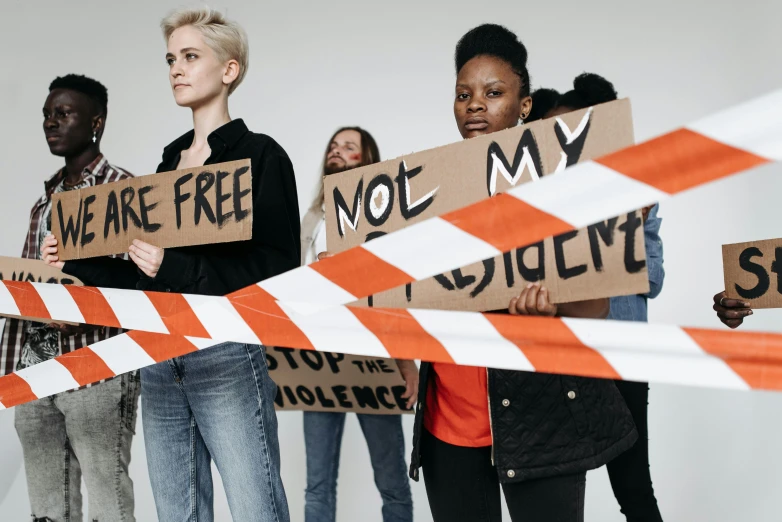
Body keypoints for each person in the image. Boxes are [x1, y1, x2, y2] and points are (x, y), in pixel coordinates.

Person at [43, 8, 298, 522]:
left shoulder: (261, 156)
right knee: (177, 515)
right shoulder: (167, 165)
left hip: (224, 355)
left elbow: (279, 270)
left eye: (189, 56)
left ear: (229, 70)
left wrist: (175, 267)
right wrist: (77, 261)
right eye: (170, 59)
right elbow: (143, 280)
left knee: (257, 510)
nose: (175, 69)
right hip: (158, 356)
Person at [407, 24, 637, 522]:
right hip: (447, 428)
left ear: (524, 105)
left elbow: (595, 306)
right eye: (463, 94)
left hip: (540, 422)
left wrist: (554, 304)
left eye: (493, 93)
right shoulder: (427, 196)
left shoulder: (560, 191)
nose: (475, 105)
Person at [0, 74, 139, 522]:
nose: (50, 122)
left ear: (95, 122)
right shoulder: (43, 202)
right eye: (46, 114)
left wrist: (77, 307)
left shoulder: (125, 191)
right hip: (35, 368)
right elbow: (32, 282)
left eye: (63, 113)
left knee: (108, 501)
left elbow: (140, 281)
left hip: (95, 364)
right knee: (46, 508)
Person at [529, 74, 666, 522]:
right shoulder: (532, 201)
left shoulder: (633, 193)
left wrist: (623, 231)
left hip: (622, 354)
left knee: (631, 484)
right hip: (559, 358)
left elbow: (655, 280)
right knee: (561, 485)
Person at [301, 127, 416, 522]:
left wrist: (406, 361)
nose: (337, 151)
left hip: (372, 353)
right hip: (318, 359)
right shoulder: (313, 217)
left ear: (367, 160)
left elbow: (396, 292)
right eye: (333, 145)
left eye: (349, 147)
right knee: (317, 485)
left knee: (392, 479)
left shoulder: (382, 217)